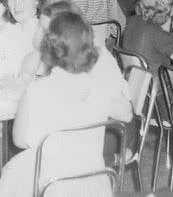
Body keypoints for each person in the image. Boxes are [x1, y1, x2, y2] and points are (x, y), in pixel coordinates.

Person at [0, 11, 125, 196]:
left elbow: (18, 140)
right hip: (95, 180)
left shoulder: (35, 91)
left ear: (48, 50)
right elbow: (122, 112)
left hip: (50, 184)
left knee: (11, 173)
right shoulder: (99, 87)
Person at [121, 0, 173, 70]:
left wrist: (167, 18)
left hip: (131, 77)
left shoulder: (132, 20)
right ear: (165, 8)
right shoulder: (158, 35)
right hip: (154, 81)